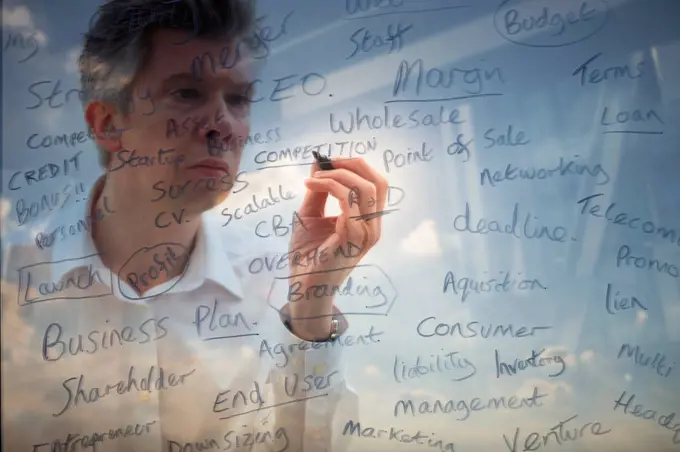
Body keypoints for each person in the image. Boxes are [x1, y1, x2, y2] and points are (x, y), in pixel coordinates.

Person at [3, 0, 388, 450]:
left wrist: (312, 309)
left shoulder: (275, 288)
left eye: (238, 99)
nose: (222, 125)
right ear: (108, 123)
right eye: (187, 93)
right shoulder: (11, 279)